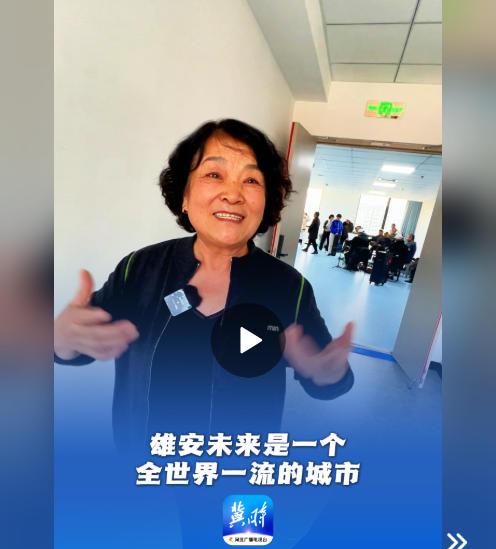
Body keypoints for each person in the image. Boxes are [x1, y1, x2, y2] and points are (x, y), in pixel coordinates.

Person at [54, 119, 354, 450]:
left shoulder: (290, 287)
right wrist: (62, 339)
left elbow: (328, 378)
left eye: (251, 180)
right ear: (184, 196)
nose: (233, 194)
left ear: (267, 202)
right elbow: (75, 348)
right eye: (214, 174)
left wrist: (328, 375)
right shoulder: (139, 268)